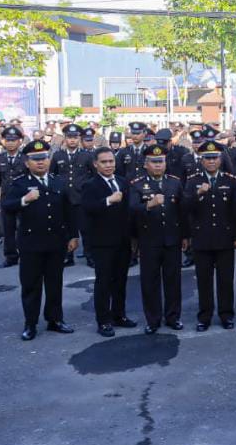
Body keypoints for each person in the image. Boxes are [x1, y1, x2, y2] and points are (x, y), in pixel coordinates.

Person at [2, 140, 79, 340]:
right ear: (27, 162)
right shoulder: (20, 183)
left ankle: (55, 320)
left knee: (55, 284)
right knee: (31, 285)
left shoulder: (58, 181)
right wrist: (24, 199)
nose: (40, 162)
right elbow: (7, 207)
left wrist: (73, 235)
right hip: (31, 243)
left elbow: (69, 210)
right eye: (35, 159)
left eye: (43, 158)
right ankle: (30, 324)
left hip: (56, 242)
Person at [184, 141, 236, 331]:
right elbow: (185, 208)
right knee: (204, 280)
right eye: (207, 158)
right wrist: (198, 193)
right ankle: (204, 316)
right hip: (202, 238)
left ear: (220, 159)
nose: (211, 161)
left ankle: (226, 315)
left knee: (225, 280)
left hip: (225, 238)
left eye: (214, 158)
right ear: (201, 160)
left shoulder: (230, 180)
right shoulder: (193, 180)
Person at [129, 145, 187, 335]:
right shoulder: (137, 184)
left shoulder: (174, 182)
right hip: (149, 240)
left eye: (161, 161)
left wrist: (185, 236)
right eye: (154, 162)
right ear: (146, 164)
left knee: (173, 280)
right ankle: (152, 319)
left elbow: (182, 212)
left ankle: (173, 317)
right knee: (150, 282)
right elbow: (131, 210)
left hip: (172, 239)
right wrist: (148, 205)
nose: (158, 165)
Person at [82, 147, 136, 337]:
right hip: (102, 242)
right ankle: (104, 321)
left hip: (123, 240)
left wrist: (133, 237)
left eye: (111, 161)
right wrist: (108, 201)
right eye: (104, 162)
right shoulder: (90, 185)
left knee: (120, 281)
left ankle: (119, 315)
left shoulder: (122, 181)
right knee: (104, 282)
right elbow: (87, 209)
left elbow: (129, 211)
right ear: (95, 164)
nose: (108, 165)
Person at [50, 124, 95, 267]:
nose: (72, 140)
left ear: (79, 138)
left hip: (81, 198)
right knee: (65, 229)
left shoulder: (87, 155)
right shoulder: (58, 155)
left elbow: (94, 176)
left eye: (75, 137)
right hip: (64, 199)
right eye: (69, 137)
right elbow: (52, 175)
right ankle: (68, 256)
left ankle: (90, 256)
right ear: (65, 138)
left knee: (86, 230)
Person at [0, 126, 27, 268]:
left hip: (23, 198)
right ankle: (11, 257)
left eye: (14, 140)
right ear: (3, 141)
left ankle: (26, 254)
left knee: (25, 228)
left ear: (20, 141)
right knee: (8, 229)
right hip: (6, 199)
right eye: (8, 140)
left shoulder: (25, 158)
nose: (10, 143)